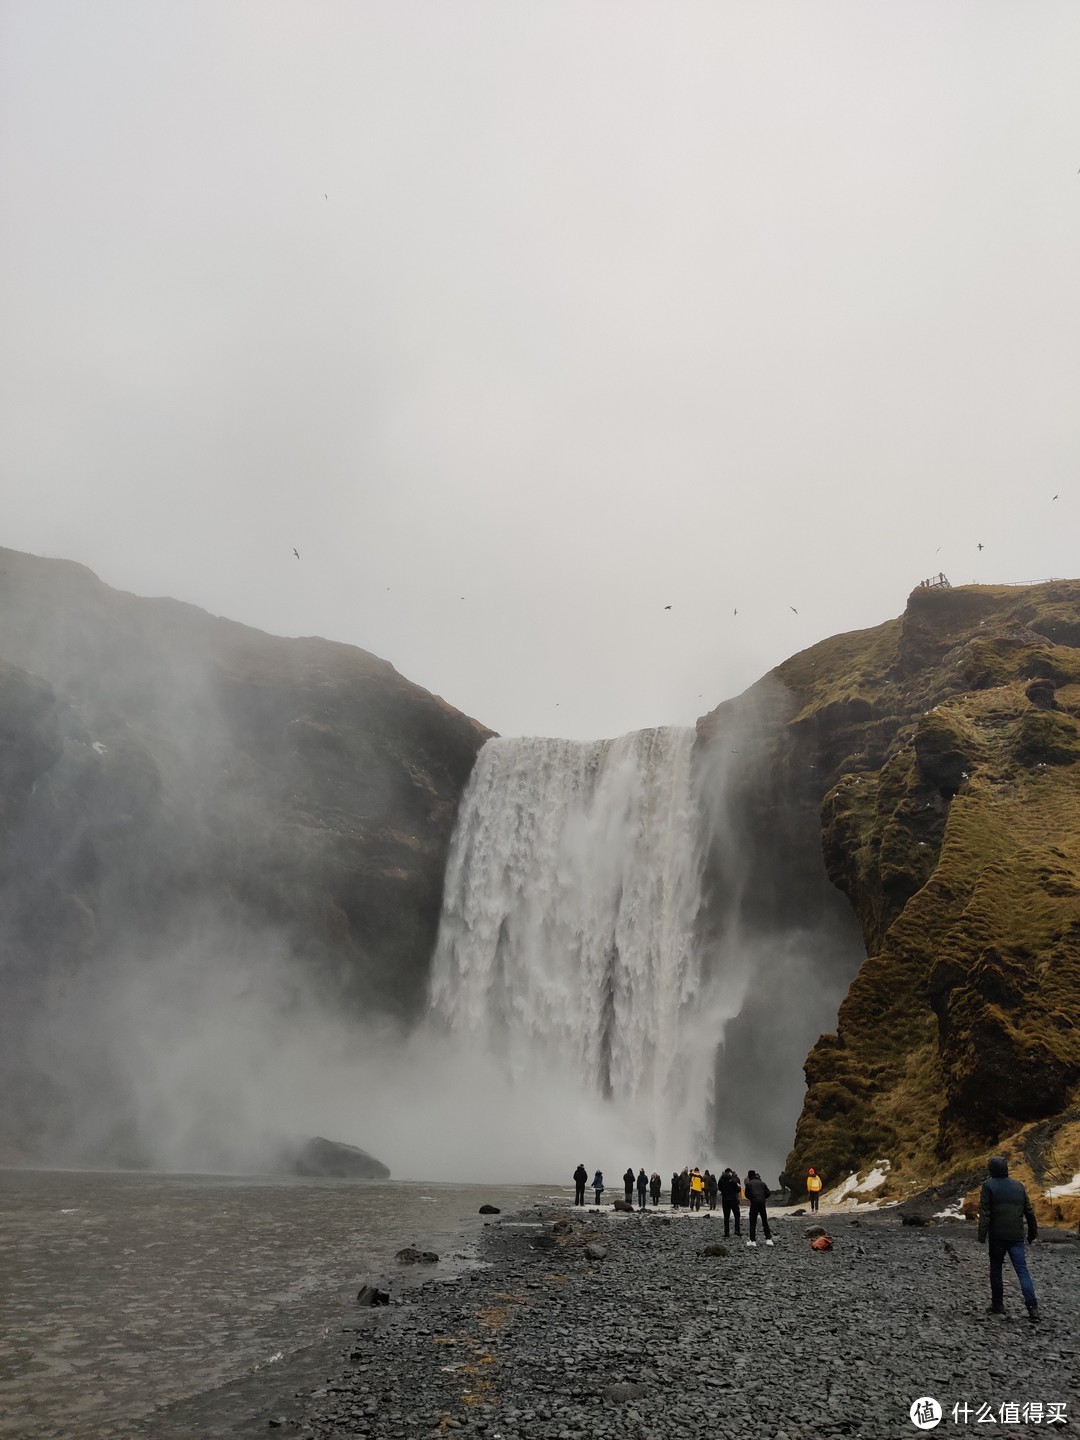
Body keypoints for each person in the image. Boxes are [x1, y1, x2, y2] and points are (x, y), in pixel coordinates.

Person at [978, 1155, 1039, 1321]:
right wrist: (1032, 1233)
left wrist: (981, 1235)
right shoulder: (1019, 1186)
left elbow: (985, 1213)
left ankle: (998, 1306)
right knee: (1022, 1270)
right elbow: (1029, 1211)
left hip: (997, 1236)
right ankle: (1032, 1308)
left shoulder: (988, 1186)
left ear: (991, 1170)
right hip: (1016, 1235)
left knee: (996, 1270)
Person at [744, 1170, 774, 1247]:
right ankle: (768, 1239)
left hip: (754, 1204)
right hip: (762, 1203)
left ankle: (752, 1241)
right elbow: (768, 1193)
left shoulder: (749, 1184)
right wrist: (763, 1197)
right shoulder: (762, 1183)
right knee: (764, 1221)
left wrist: (752, 1198)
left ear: (749, 1176)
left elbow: (746, 1195)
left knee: (752, 1222)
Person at [718, 1167, 742, 1237]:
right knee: (737, 1215)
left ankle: (726, 1232)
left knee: (726, 1217)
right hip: (733, 1200)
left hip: (725, 1200)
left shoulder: (721, 1180)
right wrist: (738, 1186)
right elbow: (738, 1190)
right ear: (729, 1173)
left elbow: (719, 1188)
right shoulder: (733, 1180)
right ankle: (737, 1230)